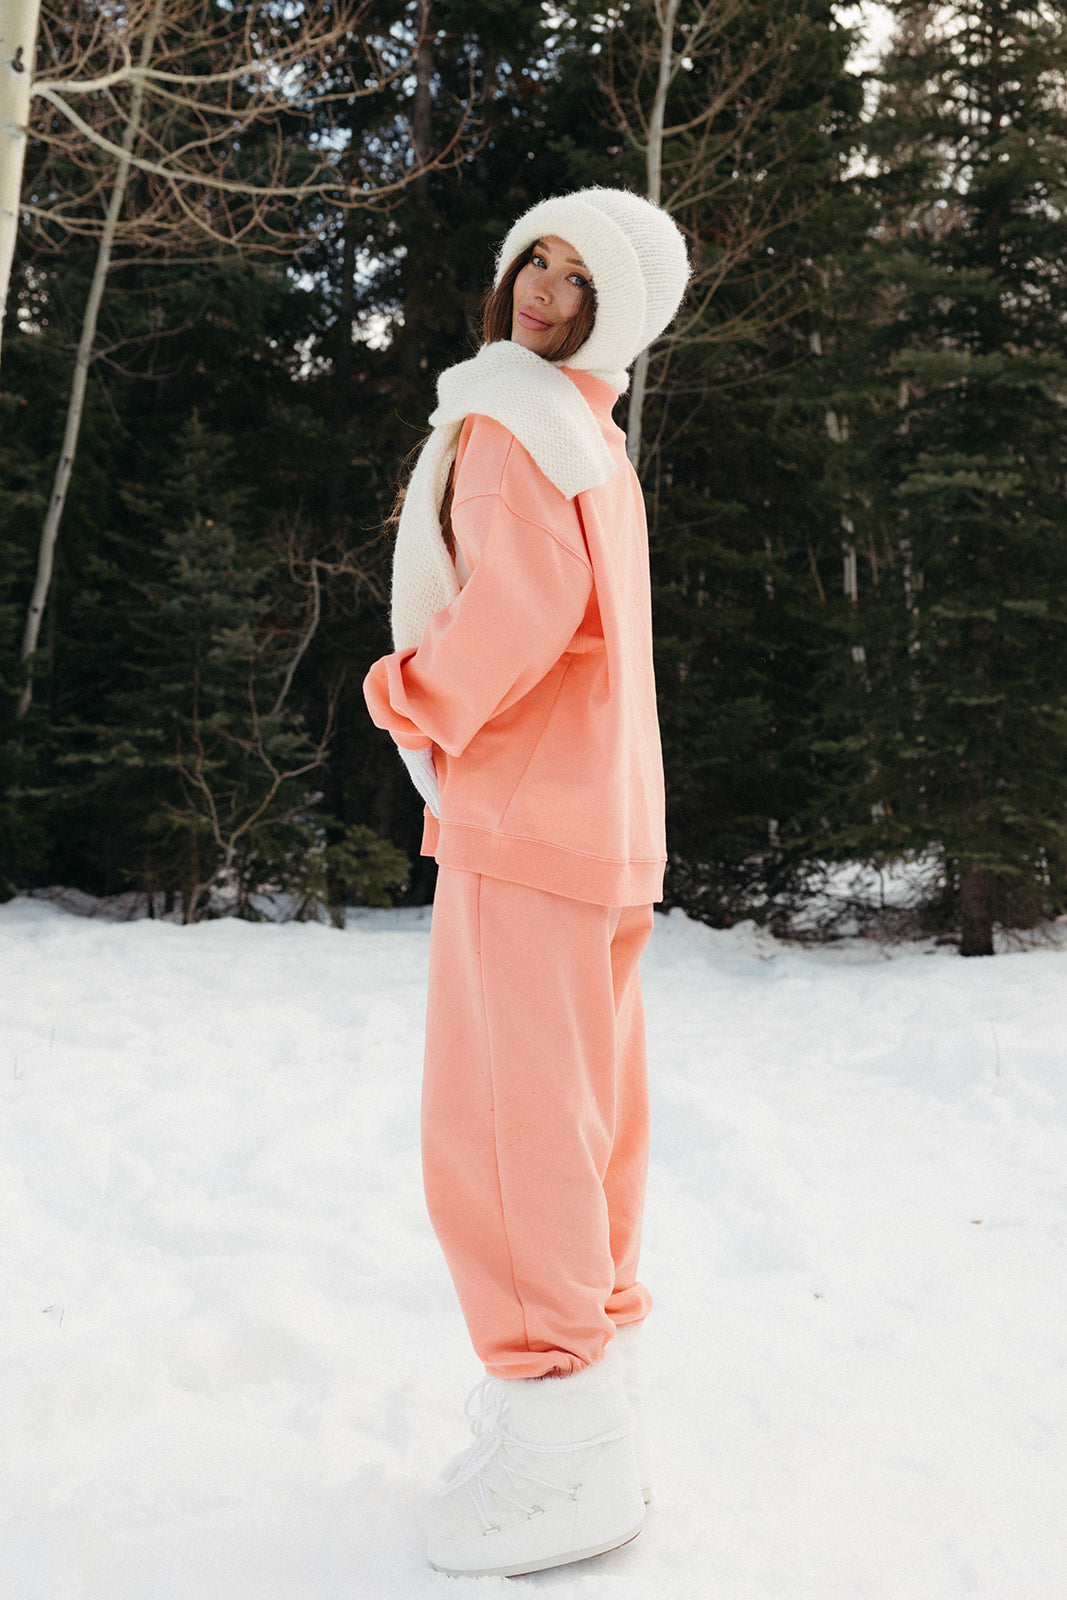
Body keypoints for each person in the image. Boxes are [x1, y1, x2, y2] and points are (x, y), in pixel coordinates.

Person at [362, 187, 689, 1578]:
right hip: (603, 821)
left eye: (577, 276)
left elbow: (517, 611)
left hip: (527, 812)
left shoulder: (512, 420)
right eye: (534, 260)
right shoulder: (595, 439)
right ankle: (583, 1417)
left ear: (620, 313)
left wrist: (406, 695)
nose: (543, 288)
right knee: (586, 1120)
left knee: (504, 1130)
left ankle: (559, 1446)